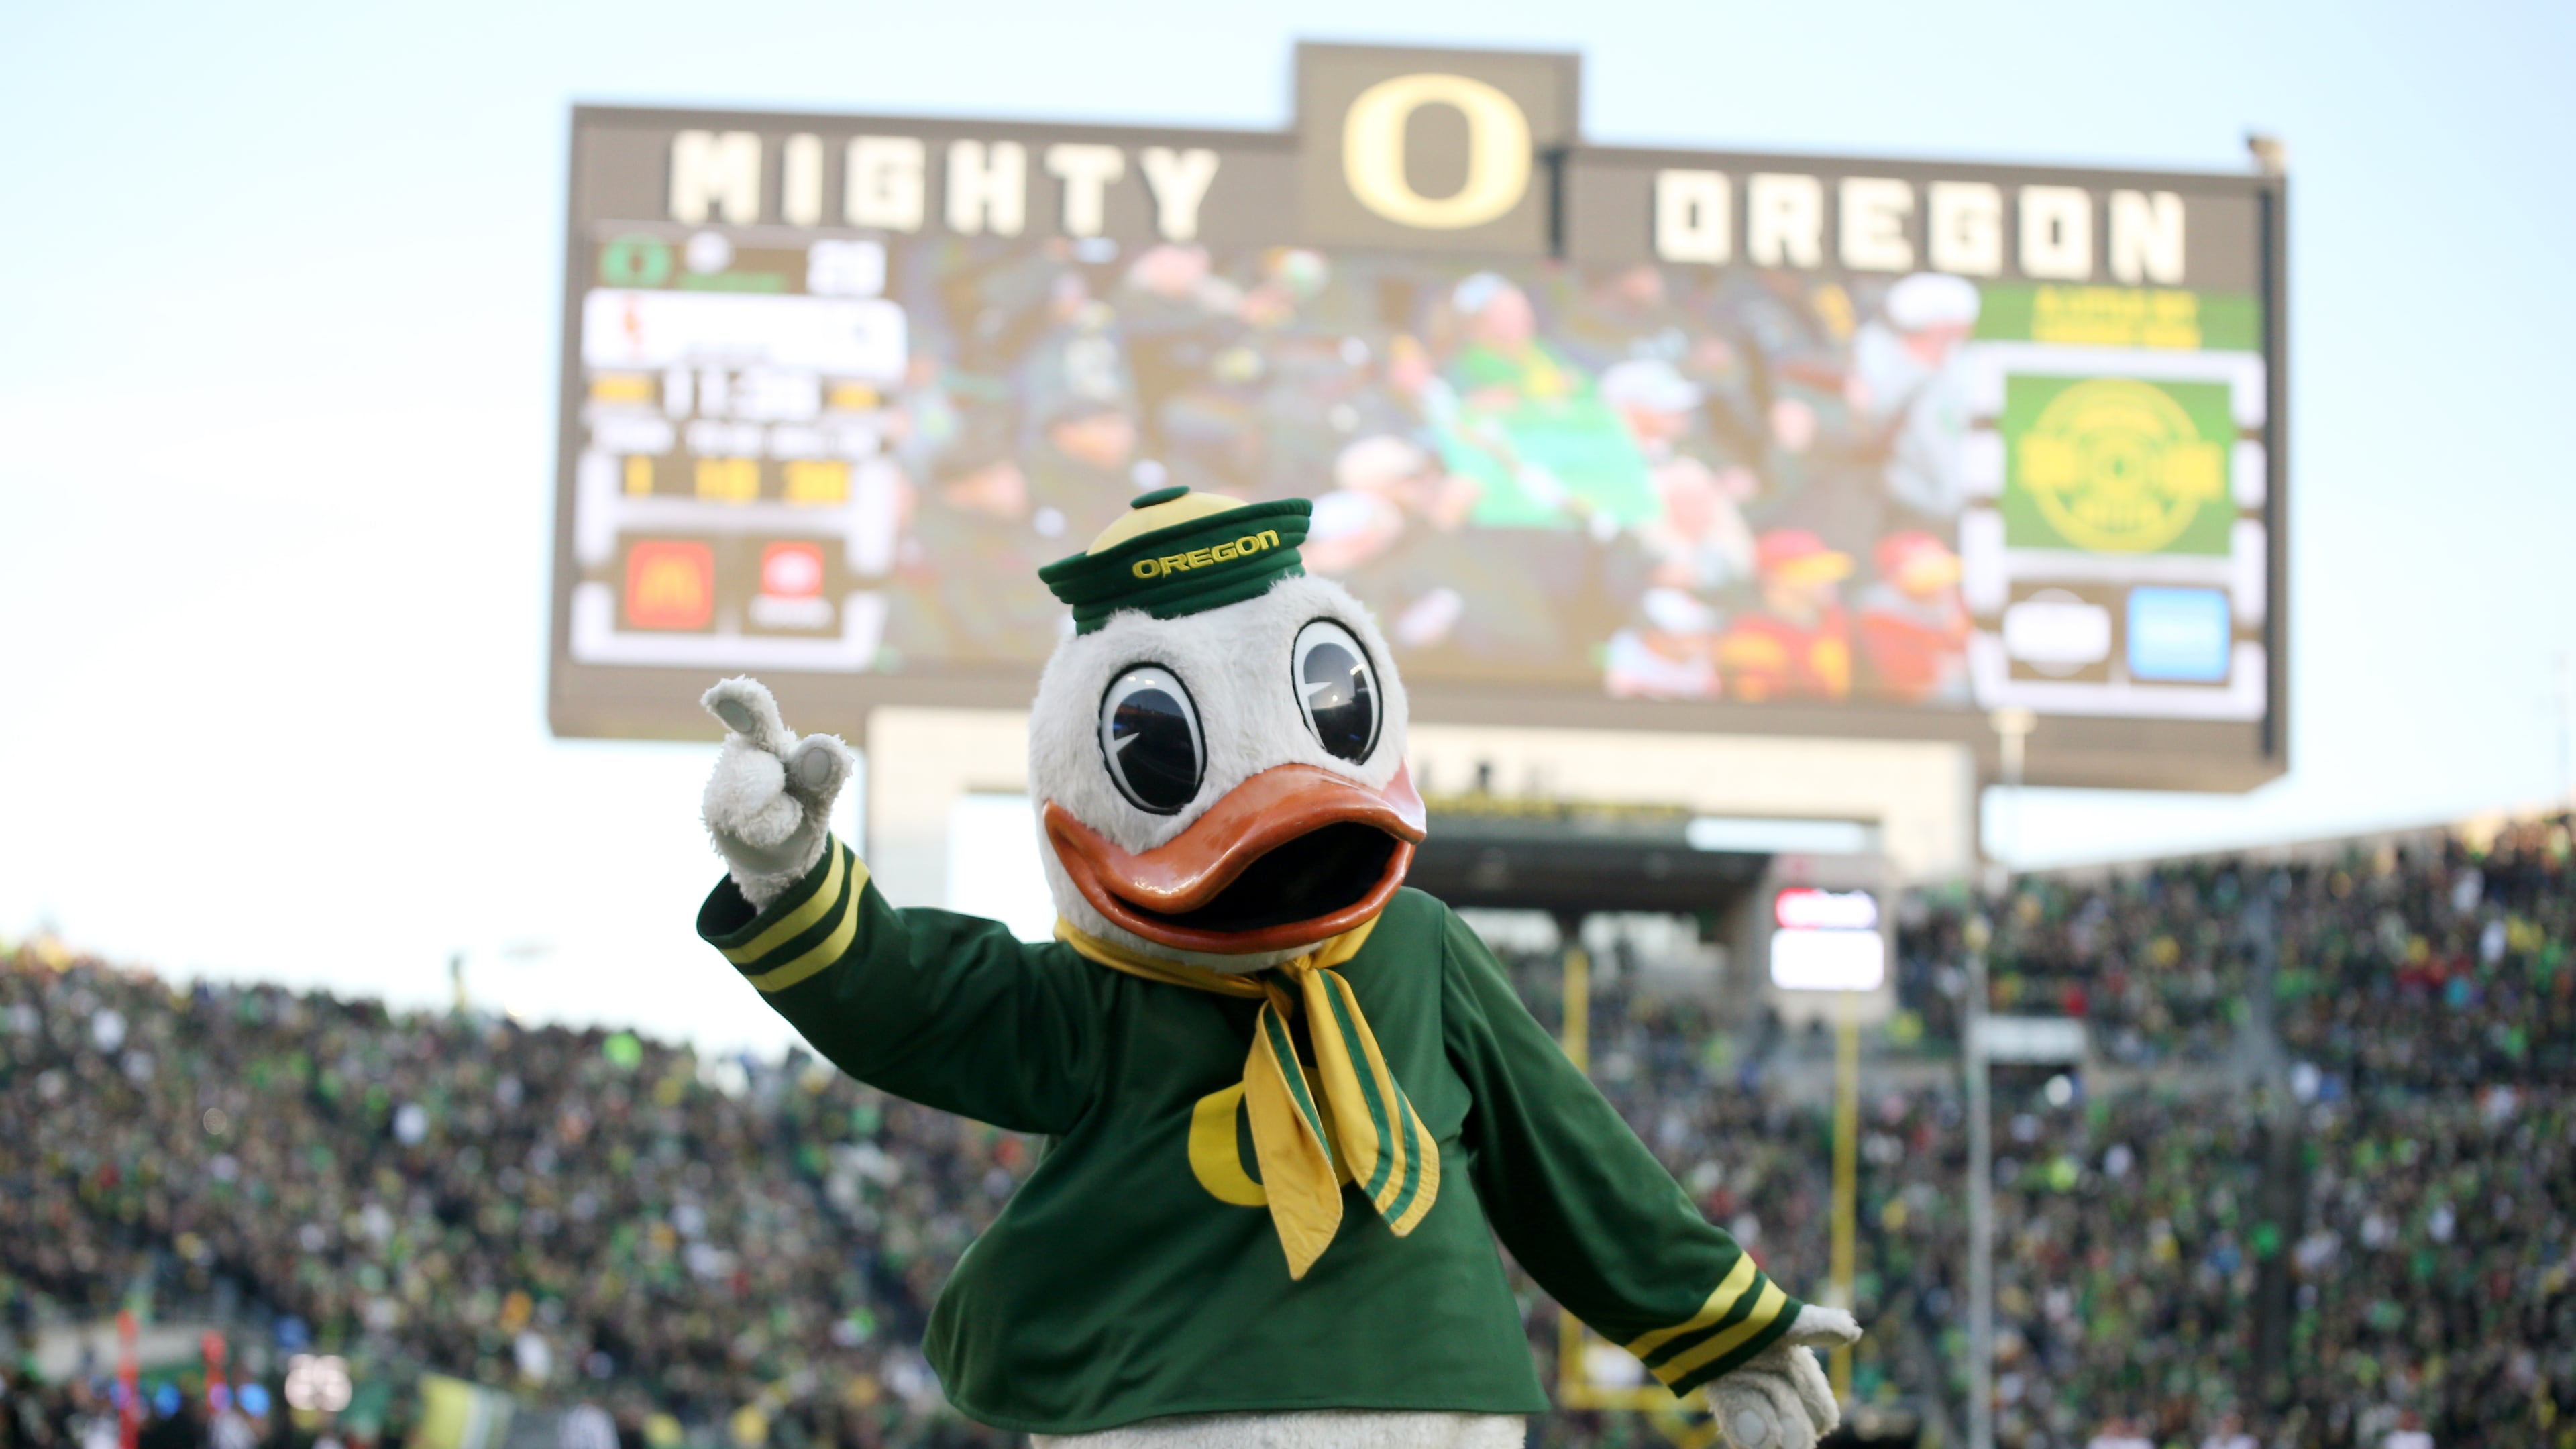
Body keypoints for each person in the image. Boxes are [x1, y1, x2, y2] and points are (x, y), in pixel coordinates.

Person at [1850, 272, 1981, 532]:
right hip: (1906, 512)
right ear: (1942, 327)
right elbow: (1862, 430)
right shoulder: (1875, 358)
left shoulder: (1968, 365)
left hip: (1964, 513)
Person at [1717, 530, 1854, 702]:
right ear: (1775, 581)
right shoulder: (1750, 641)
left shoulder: (1836, 620)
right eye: (1811, 573)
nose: (1826, 580)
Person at [1855, 531, 1970, 704]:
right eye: (1929, 578)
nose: (1940, 585)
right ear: (1897, 579)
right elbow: (1915, 688)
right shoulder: (1879, 622)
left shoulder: (1955, 601)